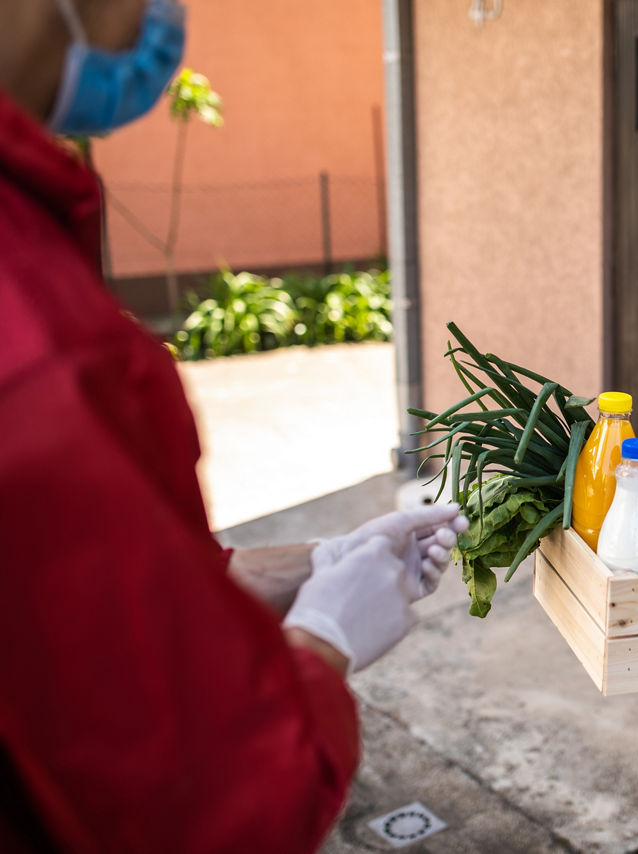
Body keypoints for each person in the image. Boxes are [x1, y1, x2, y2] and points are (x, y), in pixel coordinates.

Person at [0, 1, 467, 850]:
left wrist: (311, 563)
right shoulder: (42, 346)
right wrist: (322, 641)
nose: (158, 24)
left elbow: (67, 592)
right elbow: (220, 800)